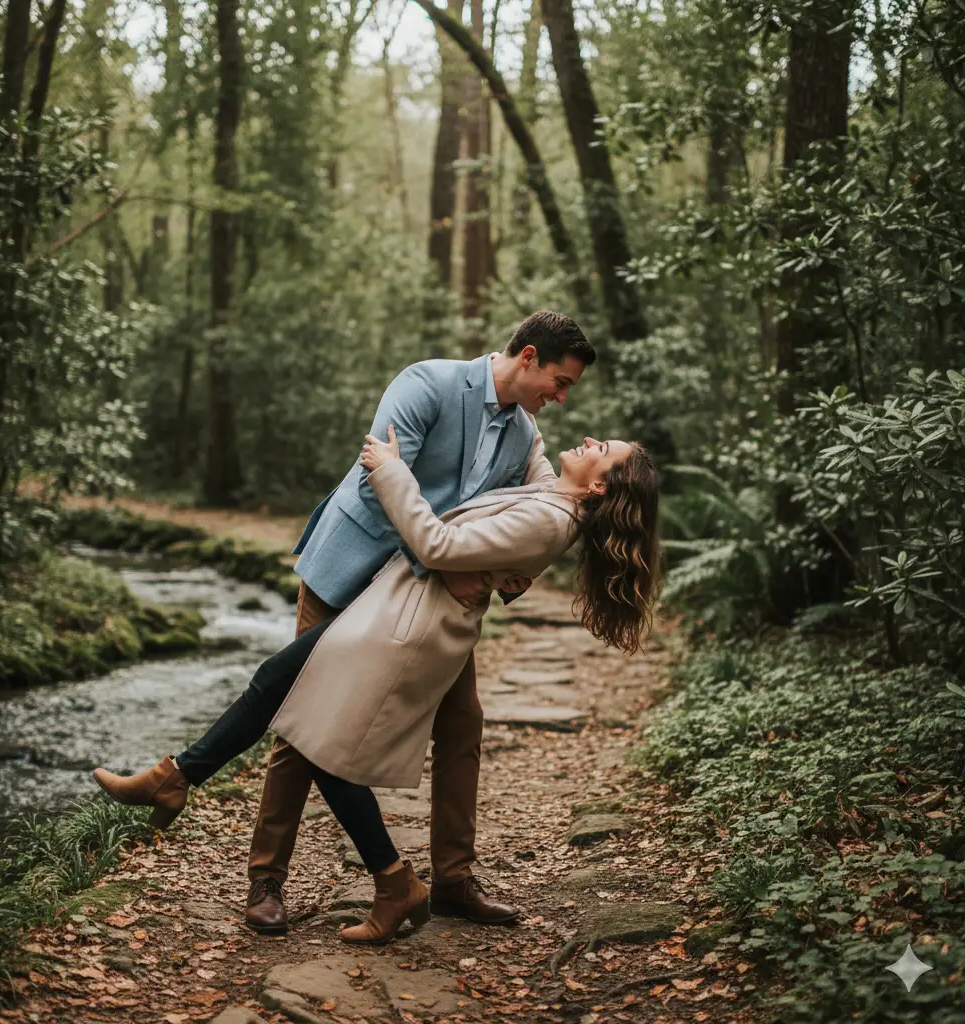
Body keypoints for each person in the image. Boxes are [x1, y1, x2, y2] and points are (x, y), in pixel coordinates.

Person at [93, 428, 661, 945]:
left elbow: (437, 545)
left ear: (598, 492)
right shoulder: (550, 496)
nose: (590, 439)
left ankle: (385, 877)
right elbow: (533, 456)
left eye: (603, 450)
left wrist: (391, 468)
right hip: (391, 610)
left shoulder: (550, 520)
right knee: (278, 687)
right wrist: (514, 391)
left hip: (405, 627)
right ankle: (179, 779)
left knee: (317, 742)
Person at [247, 309, 596, 934]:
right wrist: (439, 562)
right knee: (302, 718)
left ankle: (455, 881)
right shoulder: (427, 383)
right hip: (349, 572)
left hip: (427, 602)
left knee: (464, 722)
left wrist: (505, 573)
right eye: (561, 381)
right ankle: (266, 881)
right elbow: (378, 478)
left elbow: (542, 513)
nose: (563, 397)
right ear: (529, 357)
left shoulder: (525, 438)